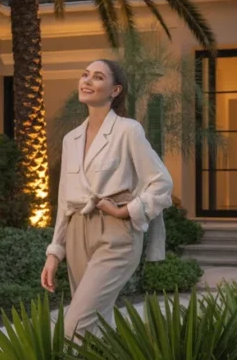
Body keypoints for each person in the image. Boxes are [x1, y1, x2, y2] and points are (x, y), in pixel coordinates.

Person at [41, 58, 173, 339]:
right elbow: (65, 200)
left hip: (115, 235)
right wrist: (55, 252)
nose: (87, 81)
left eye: (98, 77)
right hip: (77, 232)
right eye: (85, 75)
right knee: (94, 324)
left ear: (115, 90)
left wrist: (125, 212)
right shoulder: (71, 139)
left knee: (75, 323)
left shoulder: (128, 130)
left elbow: (161, 183)